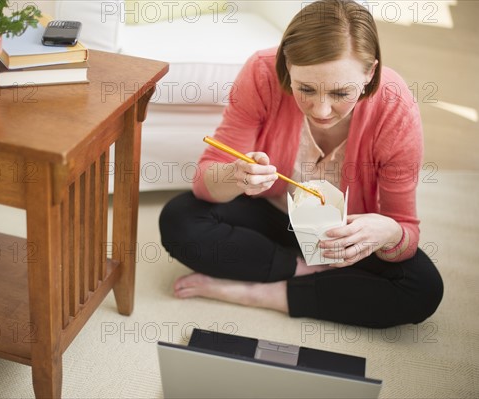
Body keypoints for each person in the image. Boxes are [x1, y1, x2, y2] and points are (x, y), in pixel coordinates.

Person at [158, 0, 443, 328]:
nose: (321, 111)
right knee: (179, 219)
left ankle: (263, 291)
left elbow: (404, 227)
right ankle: (299, 272)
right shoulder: (262, 71)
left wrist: (389, 231)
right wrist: (235, 176)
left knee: (422, 287)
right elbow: (204, 185)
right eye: (305, 89)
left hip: (341, 233)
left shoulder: (395, 106)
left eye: (340, 93)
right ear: (287, 66)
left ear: (370, 73)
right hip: (271, 213)